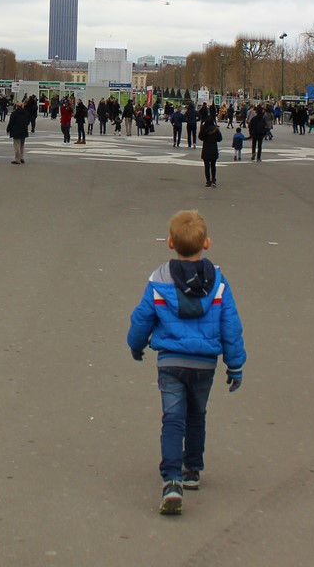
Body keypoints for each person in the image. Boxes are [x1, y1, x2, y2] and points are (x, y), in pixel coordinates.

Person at [127, 210, 246, 516]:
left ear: (170, 243)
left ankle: (171, 480)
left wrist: (136, 345)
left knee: (173, 418)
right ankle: (192, 469)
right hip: (205, 363)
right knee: (196, 415)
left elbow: (142, 318)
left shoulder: (159, 280)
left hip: (170, 361)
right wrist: (235, 364)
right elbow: (231, 325)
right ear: (206, 242)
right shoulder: (218, 282)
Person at [198, 118, 222, 187]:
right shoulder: (216, 129)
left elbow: (200, 137)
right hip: (213, 148)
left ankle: (208, 181)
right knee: (213, 165)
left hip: (206, 148)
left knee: (206, 166)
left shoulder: (203, 128)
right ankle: (213, 179)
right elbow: (219, 139)